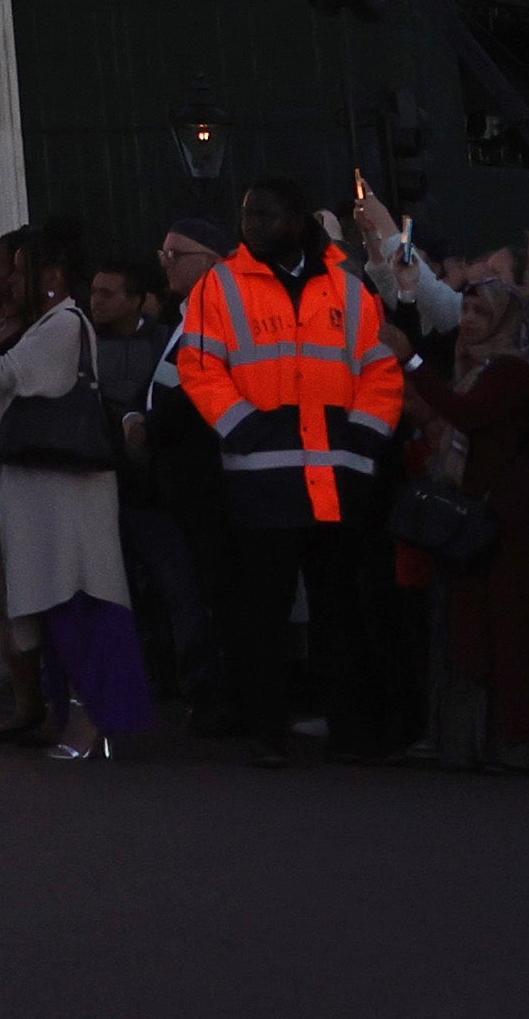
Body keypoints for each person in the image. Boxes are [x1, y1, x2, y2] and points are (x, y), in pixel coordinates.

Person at [177, 173, 406, 764]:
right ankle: (268, 732)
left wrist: (365, 435)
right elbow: (199, 366)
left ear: (297, 220)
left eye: (263, 216)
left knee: (339, 612)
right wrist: (241, 426)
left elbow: (380, 369)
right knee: (264, 614)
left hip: (337, 474)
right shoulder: (221, 286)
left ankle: (349, 730)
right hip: (262, 477)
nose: (250, 227)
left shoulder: (350, 291)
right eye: (247, 215)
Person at [0, 217, 145, 759]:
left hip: (65, 488)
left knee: (77, 595)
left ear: (51, 274)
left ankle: (91, 719)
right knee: (53, 599)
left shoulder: (64, 322)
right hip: (43, 486)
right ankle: (73, 715)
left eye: (18, 271)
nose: (10, 282)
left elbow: (12, 376)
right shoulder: (47, 322)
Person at [413, 274, 529, 770]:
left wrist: (412, 362)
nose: (467, 321)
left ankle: (523, 743)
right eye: (465, 311)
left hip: (510, 514)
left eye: (481, 313)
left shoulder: (510, 371)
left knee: (514, 628)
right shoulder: (478, 368)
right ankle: (476, 742)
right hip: (485, 513)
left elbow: (466, 413)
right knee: (475, 629)